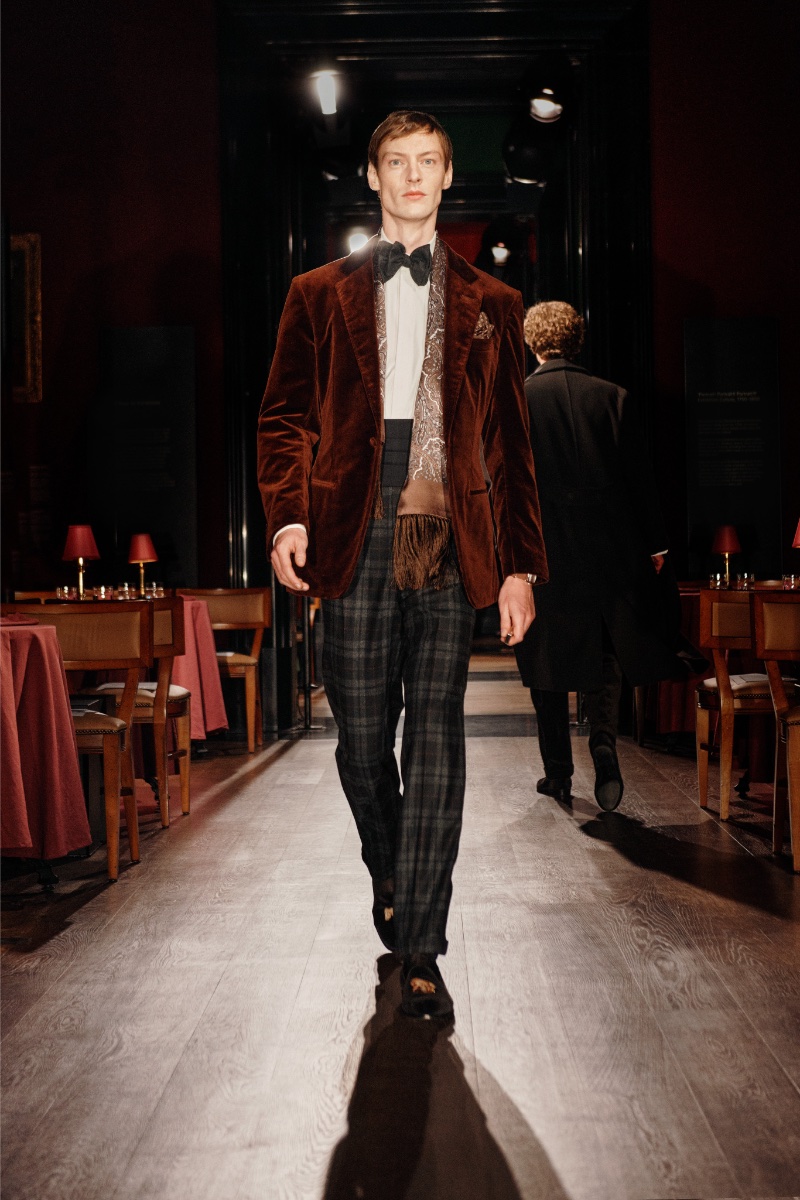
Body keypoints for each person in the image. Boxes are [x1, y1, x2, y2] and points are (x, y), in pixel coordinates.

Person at [257, 111, 548, 1019]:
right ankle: (391, 873)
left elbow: (511, 448)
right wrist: (288, 516)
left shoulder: (494, 303)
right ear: (374, 177)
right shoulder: (316, 292)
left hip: (445, 522)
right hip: (352, 521)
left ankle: (421, 943)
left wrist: (519, 567)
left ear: (448, 176)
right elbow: (283, 418)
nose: (413, 175)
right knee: (358, 741)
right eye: (397, 161)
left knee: (436, 738)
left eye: (428, 161)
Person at [514, 300, 679, 812]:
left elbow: (508, 483)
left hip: (545, 552)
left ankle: (558, 773)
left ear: (532, 342)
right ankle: (604, 744)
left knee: (545, 659)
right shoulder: (613, 397)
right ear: (577, 339)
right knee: (607, 651)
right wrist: (655, 545)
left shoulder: (517, 399)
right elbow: (640, 480)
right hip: (611, 549)